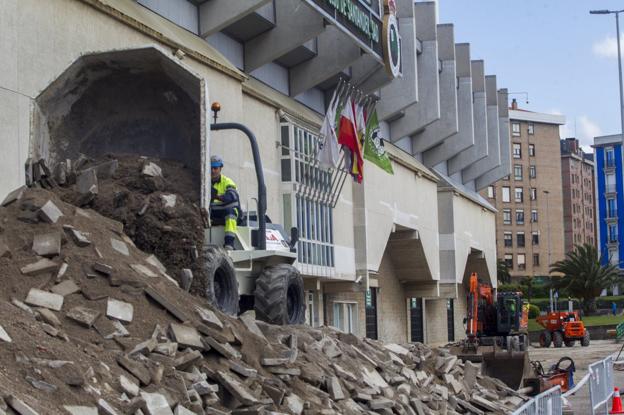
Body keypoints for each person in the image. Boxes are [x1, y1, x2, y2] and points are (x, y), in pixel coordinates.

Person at [210, 155, 240, 250]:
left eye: (215, 168)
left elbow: (232, 196)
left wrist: (216, 196)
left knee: (231, 213)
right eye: (211, 168)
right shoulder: (205, 182)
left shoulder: (227, 181)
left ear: (220, 168)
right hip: (212, 212)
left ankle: (229, 244)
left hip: (226, 212)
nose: (213, 171)